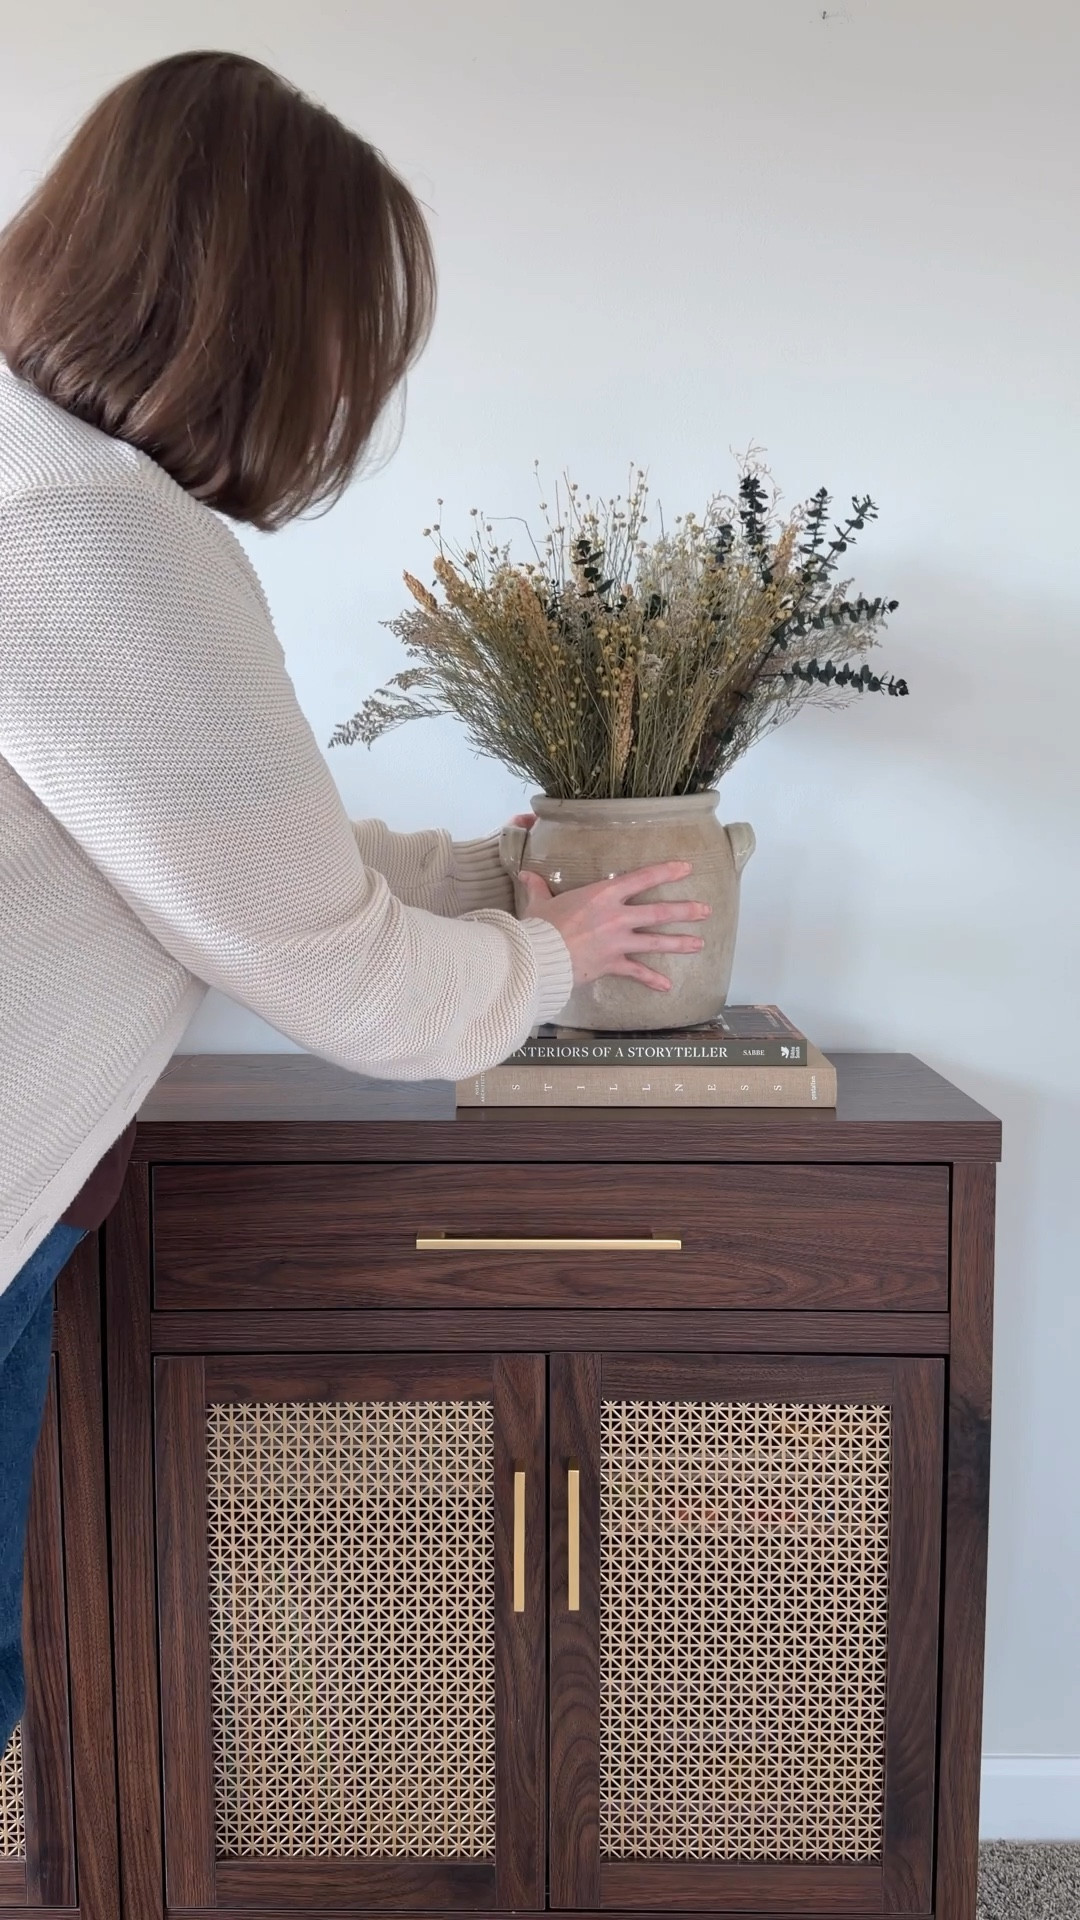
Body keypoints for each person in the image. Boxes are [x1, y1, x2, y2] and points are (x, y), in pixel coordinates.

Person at [0, 51, 709, 1747]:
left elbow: (210, 839)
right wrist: (549, 955)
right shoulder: (85, 524)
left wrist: (478, 880)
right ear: (267, 319)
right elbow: (335, 974)